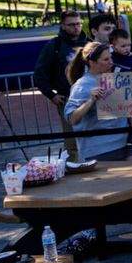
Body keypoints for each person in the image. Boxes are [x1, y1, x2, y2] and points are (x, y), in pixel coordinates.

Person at [64, 42, 132, 162]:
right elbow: (71, 118)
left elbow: (127, 108)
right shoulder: (82, 85)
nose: (111, 62)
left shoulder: (117, 78)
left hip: (128, 142)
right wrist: (91, 100)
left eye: (111, 57)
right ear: (92, 62)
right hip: (101, 149)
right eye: (106, 59)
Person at [34, 10, 88, 163]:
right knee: (71, 141)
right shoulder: (54, 45)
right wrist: (51, 95)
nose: (76, 27)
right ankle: (72, 168)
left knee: (93, 136)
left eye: (78, 24)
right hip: (66, 99)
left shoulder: (89, 43)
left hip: (90, 97)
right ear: (63, 26)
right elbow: (39, 73)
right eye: (71, 25)